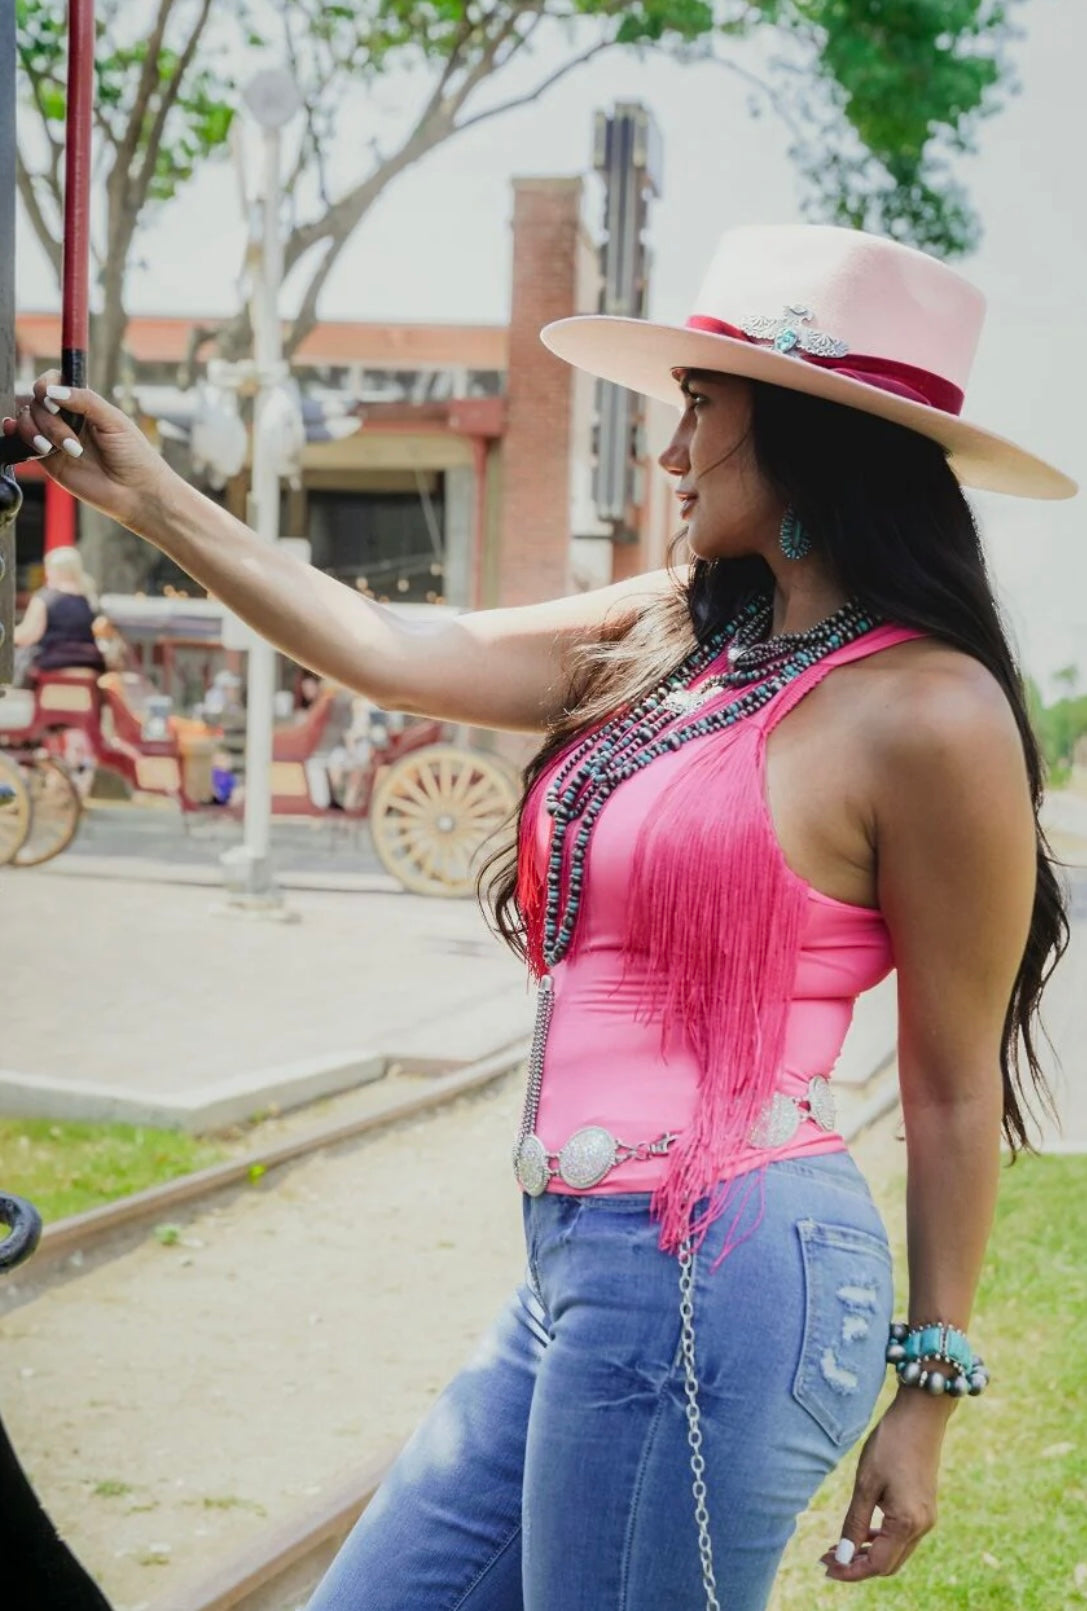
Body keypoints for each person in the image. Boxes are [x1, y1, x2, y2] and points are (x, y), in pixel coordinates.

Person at [3, 222, 1076, 1609]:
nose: (669, 451)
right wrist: (145, 492)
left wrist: (928, 1388)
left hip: (728, 1265)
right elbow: (391, 643)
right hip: (586, 1263)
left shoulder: (930, 711)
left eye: (699, 407)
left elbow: (945, 1083)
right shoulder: (674, 632)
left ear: (809, 436)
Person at [11, 543, 106, 686]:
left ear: (55, 570)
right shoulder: (89, 597)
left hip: (54, 661)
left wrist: (9, 634)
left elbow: (29, 635)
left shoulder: (46, 598)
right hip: (90, 662)